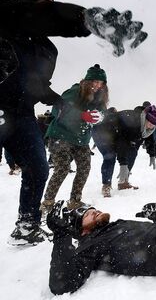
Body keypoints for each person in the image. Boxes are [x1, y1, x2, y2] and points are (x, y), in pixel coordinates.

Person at [0, 0, 146, 245]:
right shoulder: (6, 17)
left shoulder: (47, 50)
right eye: (45, 7)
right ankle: (45, 204)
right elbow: (37, 17)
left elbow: (38, 85)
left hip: (21, 114)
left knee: (38, 167)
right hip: (15, 111)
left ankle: (27, 225)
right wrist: (88, 19)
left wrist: (64, 104)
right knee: (58, 169)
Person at [40, 65, 109, 214]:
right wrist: (82, 115)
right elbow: (59, 109)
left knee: (84, 168)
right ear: (87, 81)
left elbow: (102, 112)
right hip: (60, 135)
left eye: (101, 83)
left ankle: (75, 201)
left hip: (81, 139)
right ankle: (47, 203)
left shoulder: (100, 98)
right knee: (63, 168)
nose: (98, 85)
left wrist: (99, 117)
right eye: (95, 81)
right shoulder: (74, 92)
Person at [93, 105, 156, 191]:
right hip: (102, 131)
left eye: (154, 125)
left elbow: (150, 139)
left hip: (117, 134)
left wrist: (152, 154)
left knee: (133, 152)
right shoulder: (134, 122)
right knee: (110, 156)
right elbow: (121, 142)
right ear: (146, 118)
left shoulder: (147, 127)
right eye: (150, 123)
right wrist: (123, 164)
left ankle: (123, 182)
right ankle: (106, 185)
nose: (151, 126)